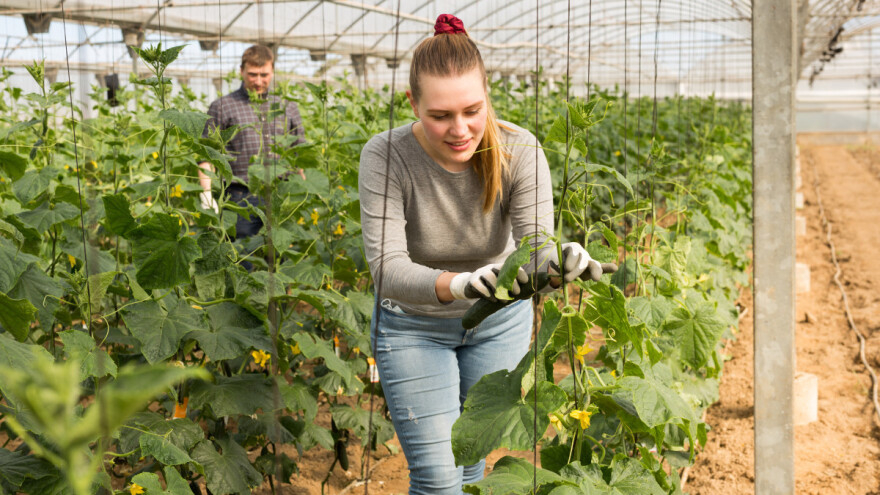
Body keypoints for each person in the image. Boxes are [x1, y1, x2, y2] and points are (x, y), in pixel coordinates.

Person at [358, 14, 597, 494]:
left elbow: (534, 252)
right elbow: (385, 267)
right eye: (440, 115)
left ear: (488, 95)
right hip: (412, 325)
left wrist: (560, 263)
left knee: (470, 467)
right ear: (413, 103)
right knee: (438, 476)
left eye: (473, 110)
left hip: (498, 324)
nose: (460, 129)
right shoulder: (386, 155)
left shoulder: (518, 150)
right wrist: (458, 283)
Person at [198, 44, 306, 239]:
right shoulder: (223, 107)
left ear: (272, 72)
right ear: (241, 71)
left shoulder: (286, 106)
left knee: (279, 260)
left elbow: (300, 151)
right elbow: (207, 153)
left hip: (281, 194)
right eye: (252, 74)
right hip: (240, 197)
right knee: (242, 257)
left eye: (264, 75)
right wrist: (206, 193)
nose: (258, 81)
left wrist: (305, 188)